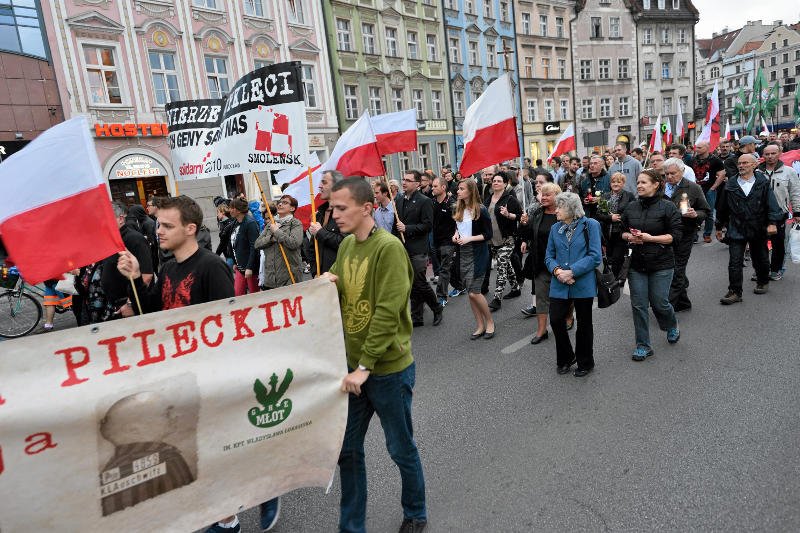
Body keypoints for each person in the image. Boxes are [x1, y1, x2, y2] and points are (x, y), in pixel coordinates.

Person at [115, 196, 276, 533]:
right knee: (201, 452)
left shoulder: (211, 267)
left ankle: (230, 517)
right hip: (181, 377)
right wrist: (136, 280)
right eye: (159, 224)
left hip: (212, 377)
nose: (159, 231)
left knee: (218, 450)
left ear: (190, 229)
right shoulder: (168, 268)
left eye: (167, 225)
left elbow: (227, 325)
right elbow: (153, 314)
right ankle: (259, 489)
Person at [324, 178, 428, 533]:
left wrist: (365, 366)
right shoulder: (346, 245)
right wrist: (325, 283)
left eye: (341, 208)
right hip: (354, 370)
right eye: (333, 208)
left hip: (386, 370)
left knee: (400, 448)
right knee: (348, 449)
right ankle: (352, 526)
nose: (334, 215)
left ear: (367, 208)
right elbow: (339, 288)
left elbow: (387, 312)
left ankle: (415, 512)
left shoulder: (389, 248)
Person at [621, 169, 682, 361]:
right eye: (638, 182)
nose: (639, 185)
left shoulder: (668, 207)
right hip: (637, 264)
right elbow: (621, 232)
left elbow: (675, 236)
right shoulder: (631, 207)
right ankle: (643, 345)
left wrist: (650, 238)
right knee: (639, 305)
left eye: (644, 182)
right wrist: (629, 237)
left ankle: (671, 324)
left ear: (656, 184)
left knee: (659, 303)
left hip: (662, 263)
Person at [544, 192, 602, 377]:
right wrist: (558, 272)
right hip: (559, 281)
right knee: (555, 320)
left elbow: (595, 256)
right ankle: (567, 357)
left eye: (560, 207)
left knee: (584, 324)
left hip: (582, 281)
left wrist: (571, 271)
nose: (556, 210)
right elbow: (549, 256)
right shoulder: (555, 228)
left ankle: (585, 362)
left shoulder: (590, 225)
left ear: (571, 208)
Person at [716, 153, 784, 304]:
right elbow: (722, 207)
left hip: (758, 226)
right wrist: (719, 226)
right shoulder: (730, 184)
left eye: (745, 163)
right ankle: (735, 292)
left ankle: (763, 281)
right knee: (734, 262)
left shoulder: (763, 182)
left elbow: (771, 204)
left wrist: (772, 222)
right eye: (740, 163)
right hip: (736, 227)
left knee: (761, 258)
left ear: (754, 165)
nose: (741, 165)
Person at [394, 169, 443, 327]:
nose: (404, 182)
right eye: (403, 179)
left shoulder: (424, 201)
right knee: (412, 283)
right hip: (404, 248)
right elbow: (396, 225)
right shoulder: (399, 200)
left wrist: (407, 228)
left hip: (418, 248)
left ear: (417, 184)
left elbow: (427, 225)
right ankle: (417, 316)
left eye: (408, 180)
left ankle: (437, 308)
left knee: (419, 281)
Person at [662, 158, 711, 312]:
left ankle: (667, 307)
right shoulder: (660, 186)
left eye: (673, 173)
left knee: (677, 268)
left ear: (682, 171)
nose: (669, 177)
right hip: (664, 233)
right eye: (667, 174)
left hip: (685, 233)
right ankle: (683, 302)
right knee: (669, 266)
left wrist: (695, 214)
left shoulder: (693, 188)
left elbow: (705, 211)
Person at [452, 179, 495, 340]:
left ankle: (490, 322)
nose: (458, 191)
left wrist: (469, 238)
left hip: (478, 253)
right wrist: (455, 235)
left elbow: (488, 234)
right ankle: (480, 325)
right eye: (458, 188)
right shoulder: (459, 208)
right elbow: (458, 228)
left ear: (470, 191)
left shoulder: (481, 210)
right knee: (470, 293)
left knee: (475, 292)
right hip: (463, 254)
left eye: (461, 189)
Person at [518, 182, 561, 344]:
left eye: (548, 195)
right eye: (542, 194)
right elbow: (528, 234)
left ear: (557, 196)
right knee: (542, 298)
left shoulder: (564, 214)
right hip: (540, 262)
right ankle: (542, 330)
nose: (543, 197)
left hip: (560, 264)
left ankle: (567, 318)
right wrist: (524, 224)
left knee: (562, 299)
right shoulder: (537, 213)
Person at [100, 202, 155, 320]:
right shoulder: (113, 240)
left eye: (107, 219)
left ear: (120, 219)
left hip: (131, 306)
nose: (103, 223)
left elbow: (147, 275)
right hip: (115, 305)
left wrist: (130, 304)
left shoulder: (134, 239)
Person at [758, 142, 800, 280]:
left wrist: (797, 212)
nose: (770, 156)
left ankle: (776, 269)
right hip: (759, 214)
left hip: (780, 214)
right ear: (763, 155)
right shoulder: (756, 172)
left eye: (773, 153)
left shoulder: (789, 171)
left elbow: (795, 193)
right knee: (759, 244)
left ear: (780, 154)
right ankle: (762, 269)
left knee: (778, 244)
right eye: (767, 154)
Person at [483, 171, 522, 310]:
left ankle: (497, 298)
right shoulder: (488, 199)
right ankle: (515, 288)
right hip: (493, 240)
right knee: (506, 265)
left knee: (501, 267)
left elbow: (520, 216)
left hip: (507, 239)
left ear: (505, 184)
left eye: (499, 181)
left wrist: (508, 214)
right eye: (494, 181)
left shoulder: (510, 199)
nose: (495, 183)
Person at [254, 195, 304, 290]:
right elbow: (257, 244)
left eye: (285, 203)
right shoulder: (271, 224)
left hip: (289, 277)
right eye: (279, 202)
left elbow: (294, 243)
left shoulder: (295, 223)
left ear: (292, 208)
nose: (280, 204)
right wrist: (272, 238)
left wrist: (277, 231)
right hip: (271, 278)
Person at [593, 172, 634, 276]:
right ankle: (610, 279)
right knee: (609, 259)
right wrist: (610, 218)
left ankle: (616, 280)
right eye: (613, 182)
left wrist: (620, 217)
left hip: (621, 232)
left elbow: (633, 212)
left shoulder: (629, 196)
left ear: (623, 183)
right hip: (607, 233)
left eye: (618, 182)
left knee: (617, 259)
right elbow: (598, 214)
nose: (615, 184)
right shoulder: (605, 196)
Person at [308, 170, 347, 275]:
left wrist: (320, 232)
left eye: (324, 182)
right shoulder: (319, 214)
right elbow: (312, 248)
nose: (320, 186)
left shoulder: (347, 211)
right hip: (321, 277)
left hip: (340, 276)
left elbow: (346, 243)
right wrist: (315, 272)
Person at [690, 140, 727, 243]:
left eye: (699, 147)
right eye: (696, 147)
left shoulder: (715, 160)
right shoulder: (692, 160)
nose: (697, 149)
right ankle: (694, 235)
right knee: (693, 211)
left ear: (707, 148)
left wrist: (713, 188)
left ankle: (707, 234)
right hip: (695, 190)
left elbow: (722, 174)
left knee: (709, 213)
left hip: (709, 190)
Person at [430, 176, 456, 307]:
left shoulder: (452, 203)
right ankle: (460, 285)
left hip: (449, 241)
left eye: (435, 186)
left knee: (444, 269)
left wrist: (456, 236)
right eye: (432, 186)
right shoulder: (432, 202)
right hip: (436, 240)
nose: (432, 188)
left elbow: (459, 221)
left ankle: (441, 296)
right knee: (446, 267)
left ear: (443, 187)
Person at [228, 198, 261, 296]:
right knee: (237, 294)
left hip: (250, 268)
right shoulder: (235, 223)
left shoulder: (250, 223)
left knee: (254, 295)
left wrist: (249, 267)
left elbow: (254, 246)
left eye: (232, 208)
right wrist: (235, 262)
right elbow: (233, 243)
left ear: (238, 210)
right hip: (240, 267)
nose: (230, 210)